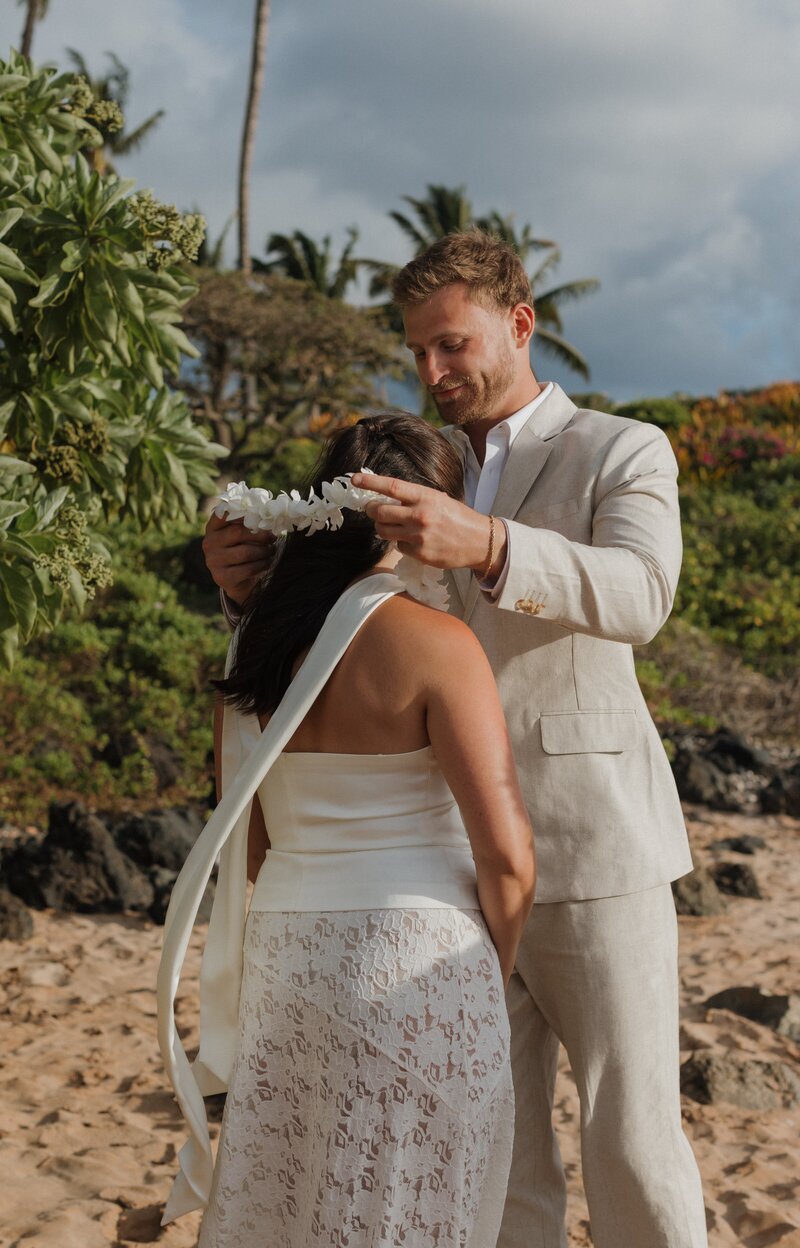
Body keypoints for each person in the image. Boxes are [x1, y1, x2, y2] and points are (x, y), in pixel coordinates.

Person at [203, 231, 709, 1248]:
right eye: (418, 352)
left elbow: (643, 595)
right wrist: (239, 588)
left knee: (631, 1139)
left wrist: (487, 543)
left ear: (519, 325)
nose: (431, 372)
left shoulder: (618, 449)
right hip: (435, 886)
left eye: (450, 345)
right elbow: (341, 636)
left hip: (589, 851)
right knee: (496, 1152)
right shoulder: (390, 463)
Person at [159, 413, 535, 1248]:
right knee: (405, 1204)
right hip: (420, 953)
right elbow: (506, 854)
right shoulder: (440, 646)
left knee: (302, 1201)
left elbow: (249, 849)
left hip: (291, 958)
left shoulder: (256, 649)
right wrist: (488, 967)